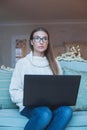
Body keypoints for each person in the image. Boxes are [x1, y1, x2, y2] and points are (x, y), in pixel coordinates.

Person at [9, 27, 72, 130]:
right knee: (44, 113)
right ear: (32, 42)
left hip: (52, 106)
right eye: (37, 38)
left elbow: (60, 90)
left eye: (44, 39)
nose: (41, 41)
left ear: (48, 42)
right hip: (29, 106)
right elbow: (14, 91)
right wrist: (30, 99)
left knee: (67, 111)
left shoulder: (55, 63)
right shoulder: (22, 63)